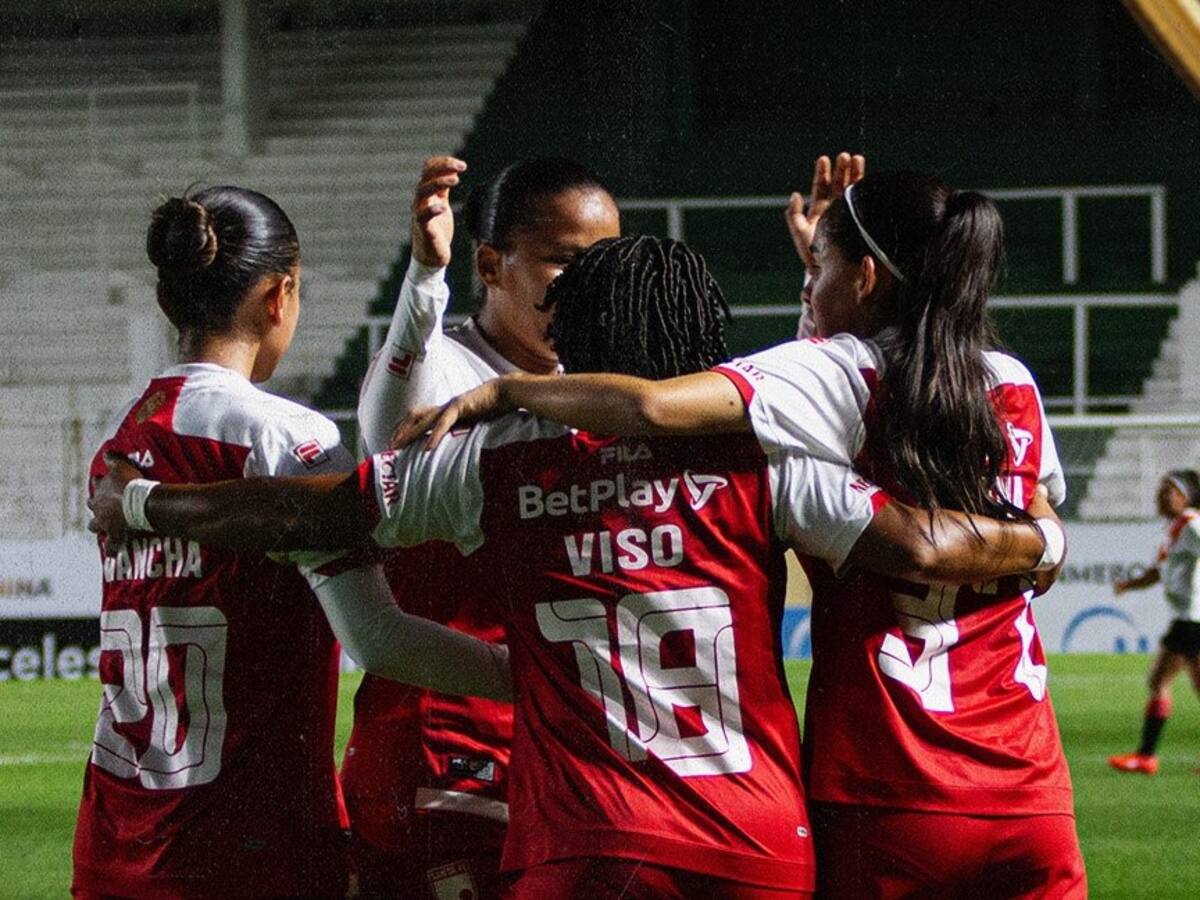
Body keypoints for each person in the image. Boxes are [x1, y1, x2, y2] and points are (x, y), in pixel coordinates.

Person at [90, 235, 1065, 899]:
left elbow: (324, 508)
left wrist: (149, 506)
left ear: (571, 346)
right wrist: (1039, 539)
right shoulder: (764, 462)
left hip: (581, 849)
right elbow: (914, 542)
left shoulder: (500, 458)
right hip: (754, 847)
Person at [401, 165, 1087, 898]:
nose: (806, 286)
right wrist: (1047, 543)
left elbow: (660, 408)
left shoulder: (834, 371)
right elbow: (1037, 531)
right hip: (1031, 787)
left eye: (818, 269)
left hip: (890, 782)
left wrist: (508, 390)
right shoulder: (1010, 382)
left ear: (862, 278)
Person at [72, 186, 508, 900]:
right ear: (280, 296)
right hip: (248, 848)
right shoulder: (282, 437)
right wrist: (526, 674)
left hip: (113, 845)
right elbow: (378, 638)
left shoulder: (121, 441)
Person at [346, 155, 621, 897]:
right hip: (442, 735)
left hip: (555, 738)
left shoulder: (599, 385)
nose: (590, 283)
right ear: (493, 264)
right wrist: (423, 281)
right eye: (567, 261)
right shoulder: (446, 370)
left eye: (606, 262)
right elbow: (380, 439)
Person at [1109, 470, 1200, 775]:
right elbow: (1158, 573)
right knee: (1159, 681)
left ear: (1185, 497)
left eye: (1169, 490)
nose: (1162, 495)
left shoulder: (1192, 524)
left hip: (1193, 620)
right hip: (1186, 620)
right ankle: (1145, 756)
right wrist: (1130, 585)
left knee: (1160, 681)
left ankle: (1146, 757)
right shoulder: (1175, 529)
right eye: (1161, 489)